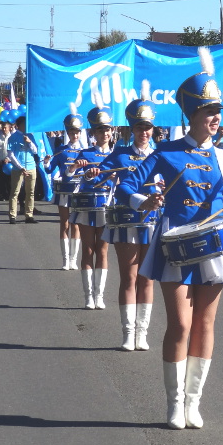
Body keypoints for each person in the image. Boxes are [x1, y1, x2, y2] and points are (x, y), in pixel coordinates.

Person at [115, 47, 223, 430]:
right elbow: (126, 187)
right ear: (192, 115)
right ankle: (173, 404)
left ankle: (193, 402)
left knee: (205, 324)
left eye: (218, 113)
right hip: (176, 244)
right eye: (209, 113)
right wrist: (147, 199)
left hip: (216, 246)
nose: (216, 120)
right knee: (180, 325)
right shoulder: (166, 152)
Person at [84, 81, 160, 351]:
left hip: (152, 222)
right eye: (140, 127)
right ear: (131, 128)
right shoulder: (120, 154)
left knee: (147, 278)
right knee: (129, 276)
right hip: (127, 221)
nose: (144, 132)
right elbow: (96, 178)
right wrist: (92, 173)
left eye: (148, 127)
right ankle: (128, 332)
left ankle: (143, 333)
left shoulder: (160, 155)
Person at [67, 100, 114, 310]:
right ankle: (88, 295)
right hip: (87, 206)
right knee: (88, 249)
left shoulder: (117, 156)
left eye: (108, 129)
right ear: (93, 133)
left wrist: (116, 177)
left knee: (102, 251)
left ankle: (100, 294)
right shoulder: (85, 154)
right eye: (100, 130)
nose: (105, 133)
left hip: (106, 206)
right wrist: (80, 169)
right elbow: (69, 175)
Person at [43, 105, 84, 271]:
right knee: (65, 223)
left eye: (77, 132)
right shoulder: (60, 151)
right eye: (72, 133)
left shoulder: (84, 151)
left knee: (77, 225)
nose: (74, 135)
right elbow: (49, 170)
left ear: (80, 133)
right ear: (67, 133)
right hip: (64, 191)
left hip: (79, 190)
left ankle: (74, 259)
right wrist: (46, 161)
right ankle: (65, 259)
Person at [8, 117, 38, 224]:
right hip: (18, 168)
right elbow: (10, 154)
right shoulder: (13, 137)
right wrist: (20, 167)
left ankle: (29, 215)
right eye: (25, 123)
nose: (26, 125)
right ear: (19, 125)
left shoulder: (30, 136)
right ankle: (12, 215)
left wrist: (29, 142)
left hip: (31, 167)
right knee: (15, 192)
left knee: (30, 192)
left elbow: (35, 151)